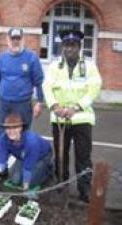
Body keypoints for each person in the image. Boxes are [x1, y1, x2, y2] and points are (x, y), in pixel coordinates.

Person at [43, 29, 102, 203]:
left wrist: (77, 107)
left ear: (79, 47)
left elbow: (94, 88)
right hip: (59, 118)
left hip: (82, 118)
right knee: (61, 155)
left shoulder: (89, 66)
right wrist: (55, 106)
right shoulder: (55, 66)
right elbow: (47, 87)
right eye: (66, 45)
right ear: (62, 47)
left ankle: (84, 190)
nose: (70, 49)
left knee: (83, 156)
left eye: (73, 45)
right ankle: (60, 185)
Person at [0, 27, 44, 151]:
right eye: (13, 39)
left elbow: (38, 81)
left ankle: (22, 164)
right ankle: (0, 164)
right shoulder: (1, 58)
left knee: (23, 136)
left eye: (18, 39)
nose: (15, 42)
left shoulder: (31, 57)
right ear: (8, 40)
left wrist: (39, 102)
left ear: (23, 40)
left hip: (23, 104)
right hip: (4, 104)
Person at [0, 113, 53, 190]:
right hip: (22, 157)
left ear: (21, 128)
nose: (11, 131)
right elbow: (2, 162)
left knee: (30, 182)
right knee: (15, 180)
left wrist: (26, 187)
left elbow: (27, 168)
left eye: (15, 128)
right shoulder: (3, 138)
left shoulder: (31, 142)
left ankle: (48, 169)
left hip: (42, 156)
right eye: (8, 128)